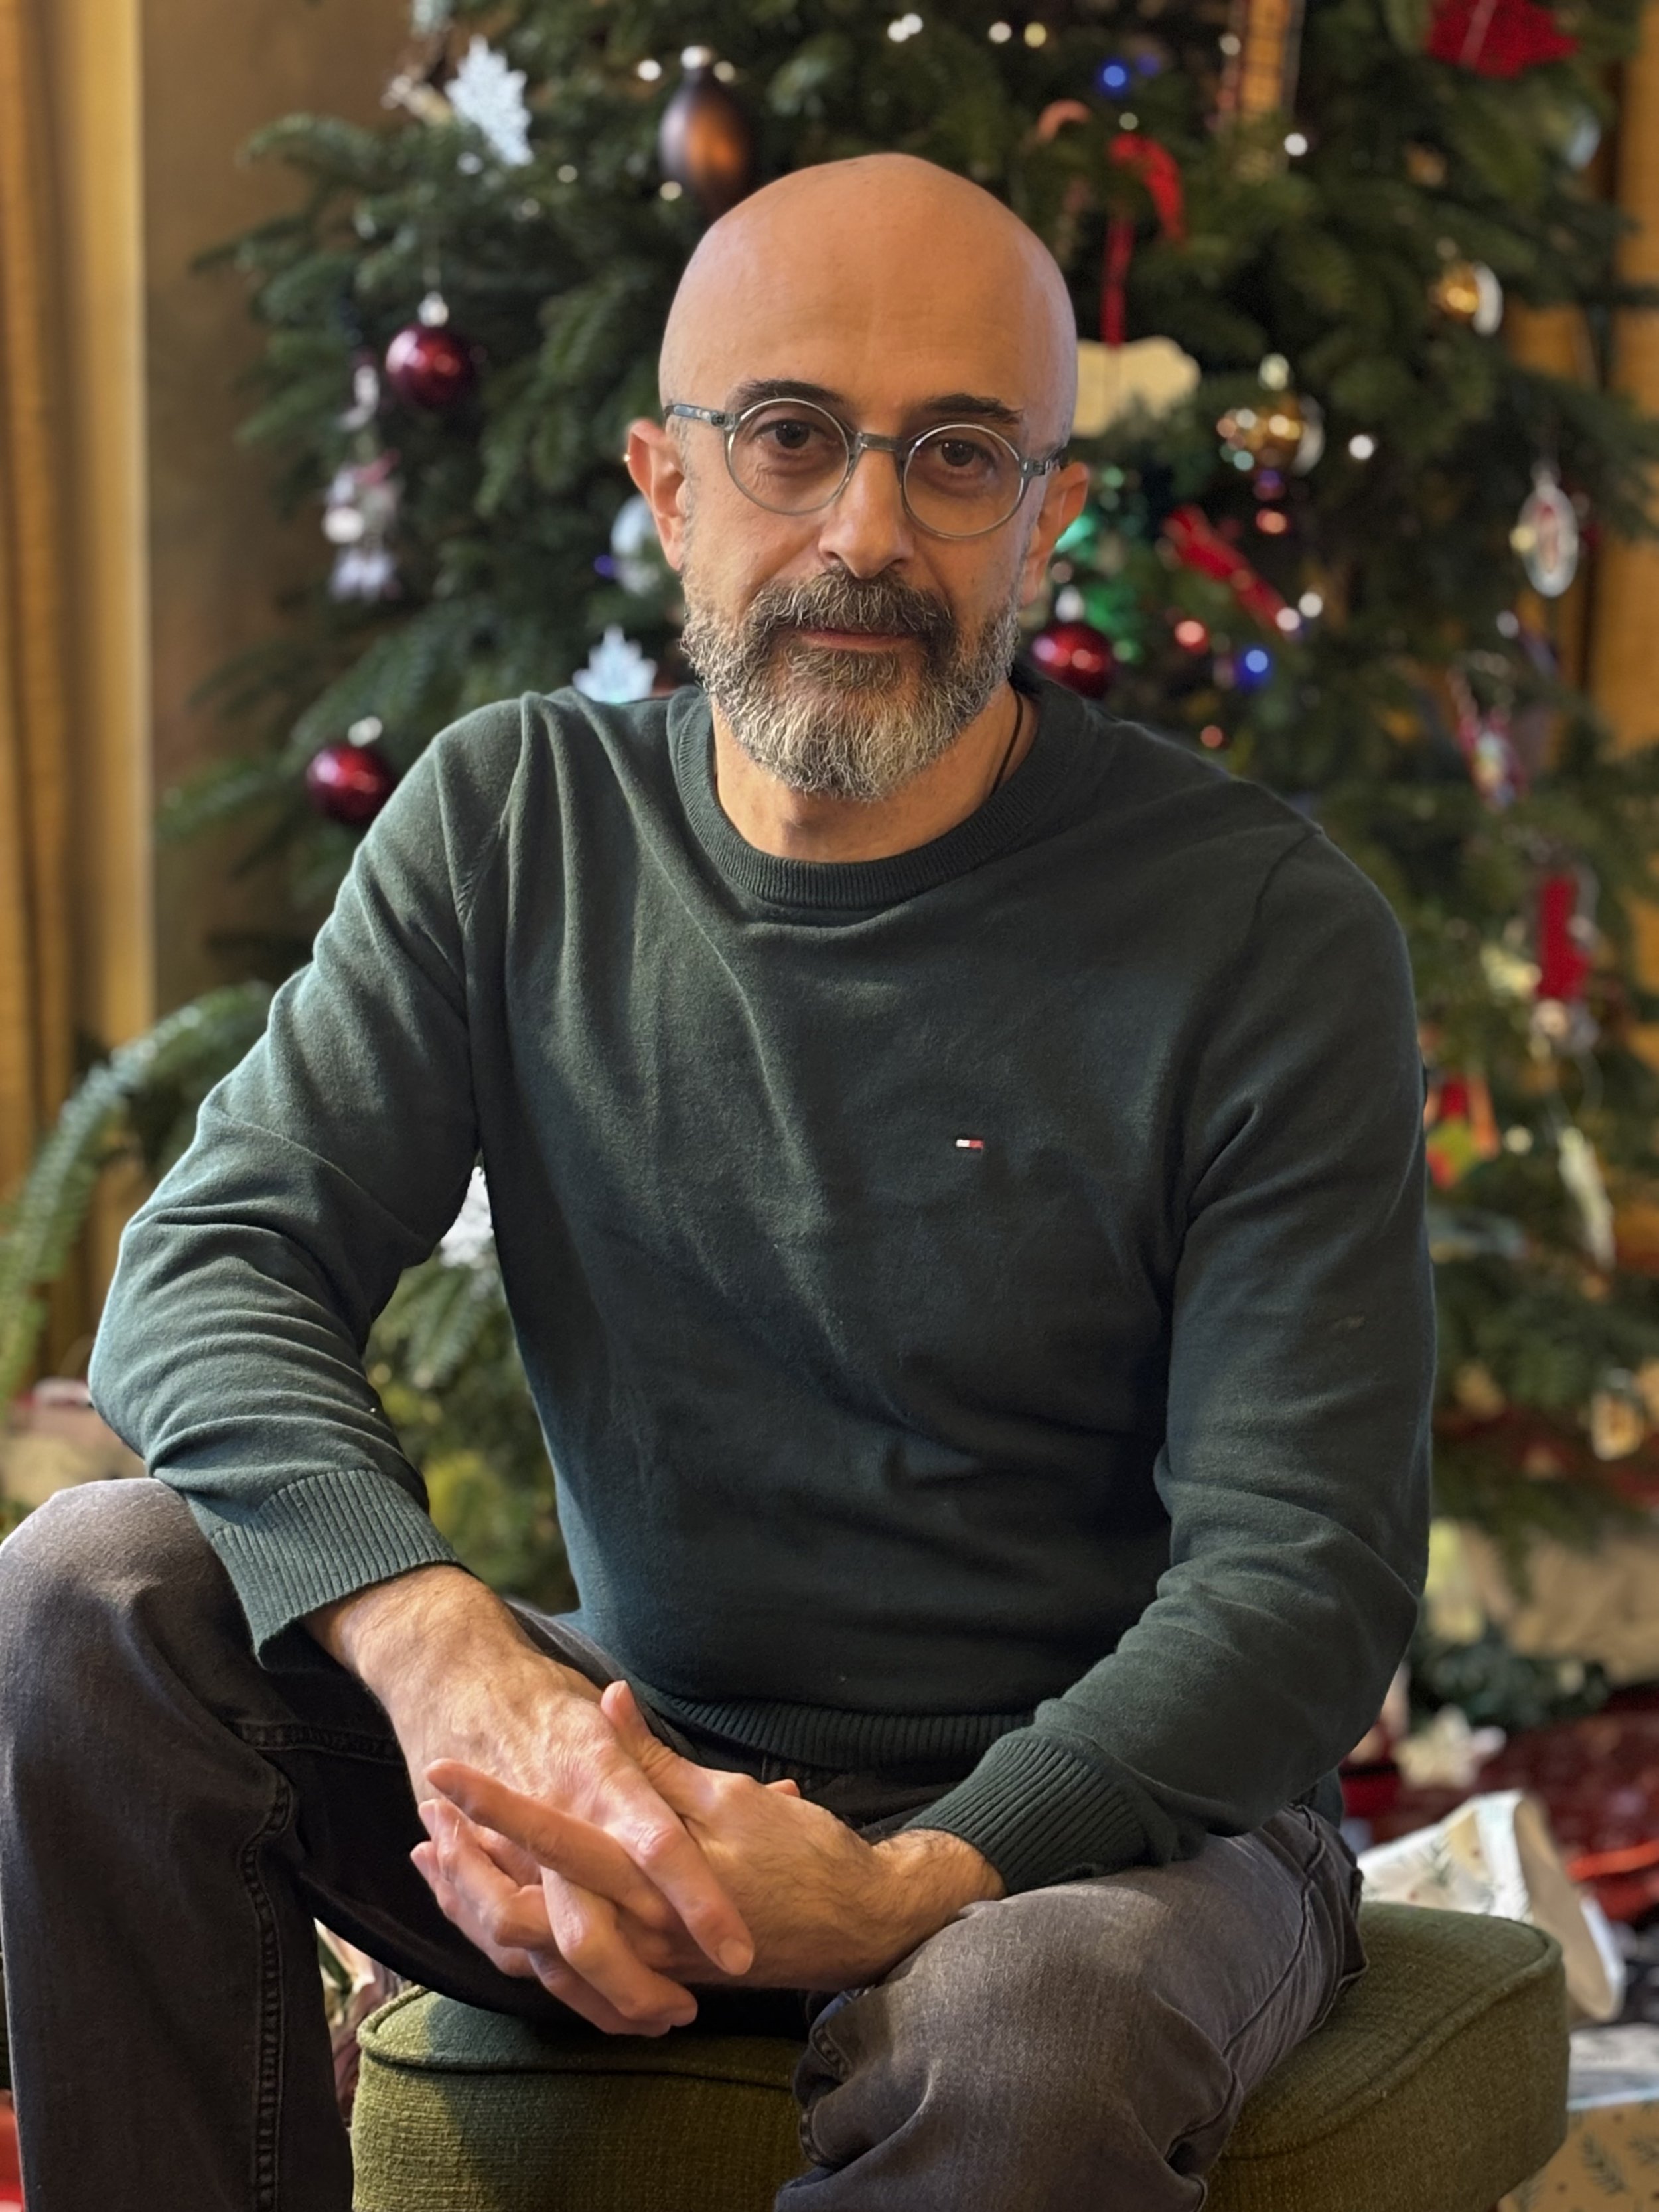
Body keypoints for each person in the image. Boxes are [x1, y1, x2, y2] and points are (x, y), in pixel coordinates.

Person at [0, 153, 1432, 2211]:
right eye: (787, 436)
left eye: (957, 456)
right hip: (650, 1754)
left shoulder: (1265, 934)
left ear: (1046, 518)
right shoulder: (510, 820)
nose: (865, 533)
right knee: (87, 1592)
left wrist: (917, 1875)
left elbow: (1302, 1575)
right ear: (666, 484)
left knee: (1026, 2026)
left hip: (1124, 1845)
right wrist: (456, 1664)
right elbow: (214, 1259)